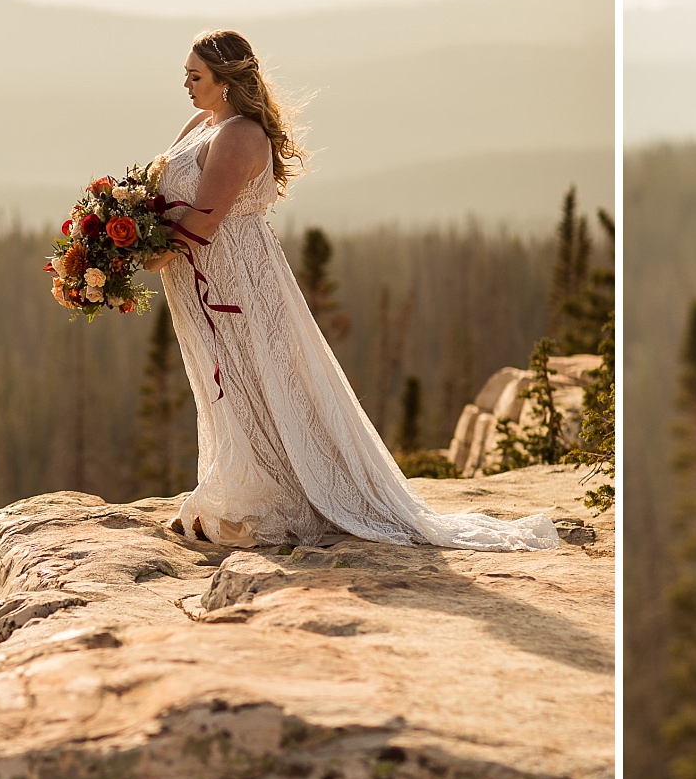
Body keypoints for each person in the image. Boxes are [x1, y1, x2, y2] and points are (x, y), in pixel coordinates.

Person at [144, 29, 557, 552]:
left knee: (255, 379)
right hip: (199, 281)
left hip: (235, 280)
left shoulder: (241, 136)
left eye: (195, 75)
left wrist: (151, 254)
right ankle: (236, 487)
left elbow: (205, 219)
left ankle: (269, 500)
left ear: (225, 82)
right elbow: (166, 194)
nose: (185, 83)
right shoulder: (201, 125)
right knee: (222, 383)